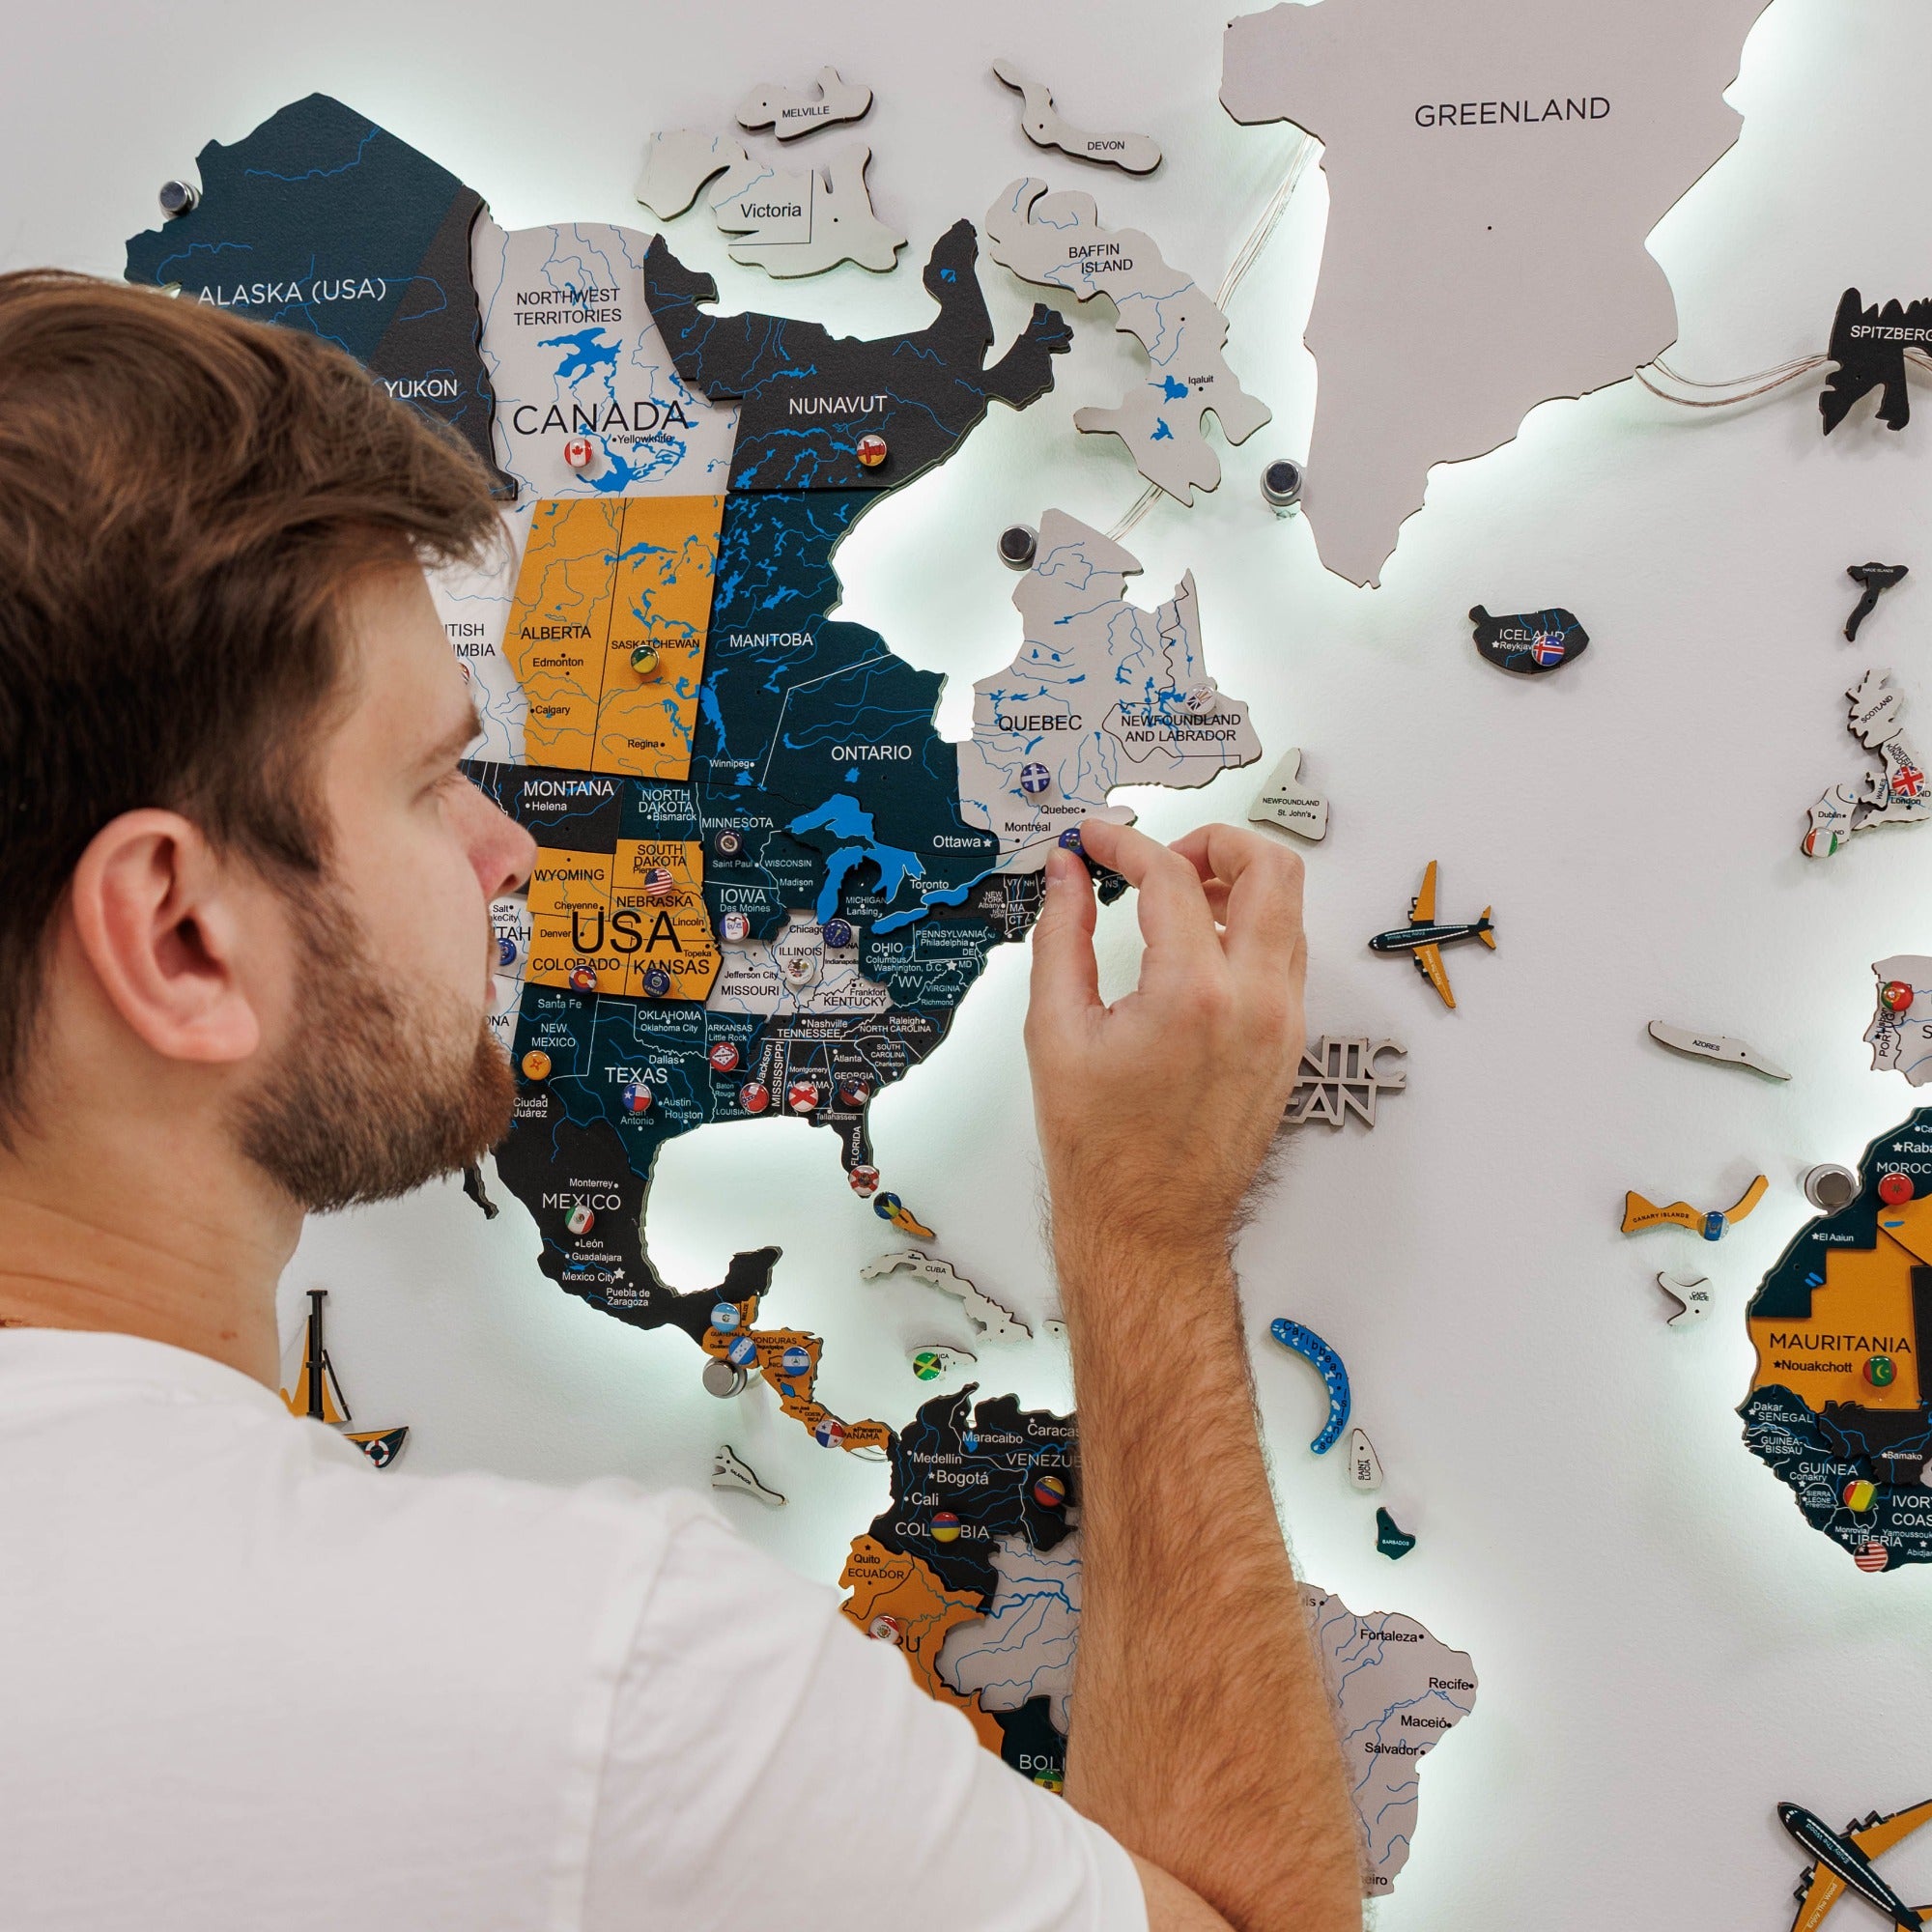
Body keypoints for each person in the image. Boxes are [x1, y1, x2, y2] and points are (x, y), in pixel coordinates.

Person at [0, 270, 1360, 1932]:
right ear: (181, 936)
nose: (510, 851)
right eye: (432, 783)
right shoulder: (602, 1693)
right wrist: (1144, 1229)